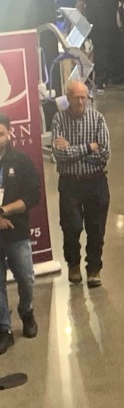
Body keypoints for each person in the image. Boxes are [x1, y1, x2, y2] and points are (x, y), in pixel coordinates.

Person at [51, 81, 111, 288]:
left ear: (88, 98)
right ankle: (73, 265)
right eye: (76, 97)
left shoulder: (97, 119)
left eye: (83, 97)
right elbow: (58, 154)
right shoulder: (59, 119)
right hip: (70, 185)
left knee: (96, 228)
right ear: (67, 97)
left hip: (95, 182)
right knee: (71, 227)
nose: (80, 101)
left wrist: (73, 151)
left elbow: (104, 153)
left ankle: (94, 269)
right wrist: (88, 147)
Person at [0, 112, 43, 352]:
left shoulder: (22, 161)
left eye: (1, 134)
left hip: (17, 231)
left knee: (26, 278)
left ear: (9, 134)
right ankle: (3, 328)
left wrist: (4, 211)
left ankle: (26, 313)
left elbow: (33, 195)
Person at [78, 0, 122, 89]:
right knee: (108, 51)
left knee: (98, 50)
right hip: (110, 23)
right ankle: (105, 78)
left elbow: (79, 5)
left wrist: (78, 24)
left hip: (92, 23)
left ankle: (98, 79)